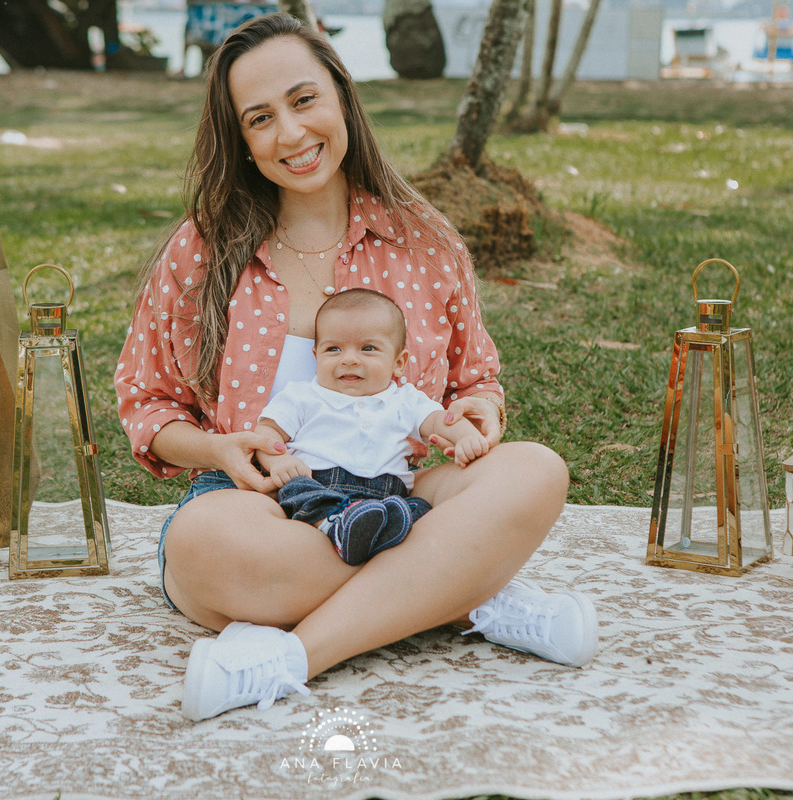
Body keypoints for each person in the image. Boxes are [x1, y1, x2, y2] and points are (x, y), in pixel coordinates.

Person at [115, 12, 598, 723]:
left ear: (341, 95)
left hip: (398, 493)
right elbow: (147, 403)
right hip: (260, 501)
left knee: (536, 472)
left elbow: (474, 379)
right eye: (260, 118)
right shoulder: (201, 248)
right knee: (201, 544)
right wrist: (218, 450)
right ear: (240, 140)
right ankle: (466, 594)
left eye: (304, 100)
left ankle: (291, 655)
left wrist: (481, 411)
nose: (291, 134)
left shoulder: (423, 240)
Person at [257, 288, 491, 566]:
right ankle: (335, 524)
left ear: (398, 362)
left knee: (421, 507)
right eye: (333, 349)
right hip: (319, 482)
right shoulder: (302, 396)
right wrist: (278, 460)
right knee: (296, 490)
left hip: (387, 492)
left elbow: (439, 421)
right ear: (316, 357)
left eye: (367, 348)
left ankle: (376, 530)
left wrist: (464, 435)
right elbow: (266, 433)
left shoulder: (406, 400)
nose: (349, 359)